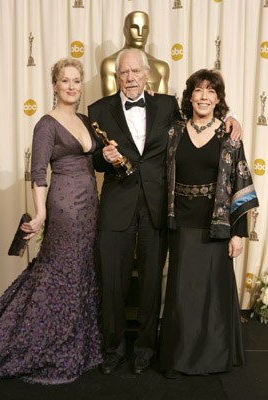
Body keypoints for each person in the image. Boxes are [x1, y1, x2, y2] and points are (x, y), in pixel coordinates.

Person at [88, 49, 242, 375]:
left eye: (135, 72)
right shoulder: (98, 110)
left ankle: (145, 351)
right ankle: (112, 350)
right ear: (117, 77)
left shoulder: (166, 104)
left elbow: (199, 125)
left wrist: (231, 119)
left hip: (158, 208)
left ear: (147, 74)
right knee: (112, 283)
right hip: (117, 205)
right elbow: (94, 161)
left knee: (151, 285)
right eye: (124, 73)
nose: (130, 78)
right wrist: (105, 156)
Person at [0, 58, 102, 384]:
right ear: (54, 85)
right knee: (58, 275)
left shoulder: (85, 119)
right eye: (65, 80)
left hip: (89, 207)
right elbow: (39, 172)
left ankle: (77, 347)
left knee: (80, 273)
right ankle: (35, 345)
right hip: (65, 208)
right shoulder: (46, 123)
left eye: (76, 81)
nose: (71, 86)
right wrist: (40, 212)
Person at [159, 69, 259, 378]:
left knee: (212, 295)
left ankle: (213, 358)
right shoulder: (173, 132)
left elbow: (241, 184)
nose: (204, 96)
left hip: (216, 225)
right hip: (181, 222)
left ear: (218, 99)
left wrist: (238, 233)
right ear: (189, 97)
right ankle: (179, 358)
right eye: (199, 90)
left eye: (210, 92)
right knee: (181, 293)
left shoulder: (229, 135)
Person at [100, 11, 170, 96]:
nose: (140, 33)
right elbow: (109, 105)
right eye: (134, 27)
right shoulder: (110, 64)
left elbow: (163, 105)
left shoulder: (161, 67)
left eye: (144, 28)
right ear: (125, 30)